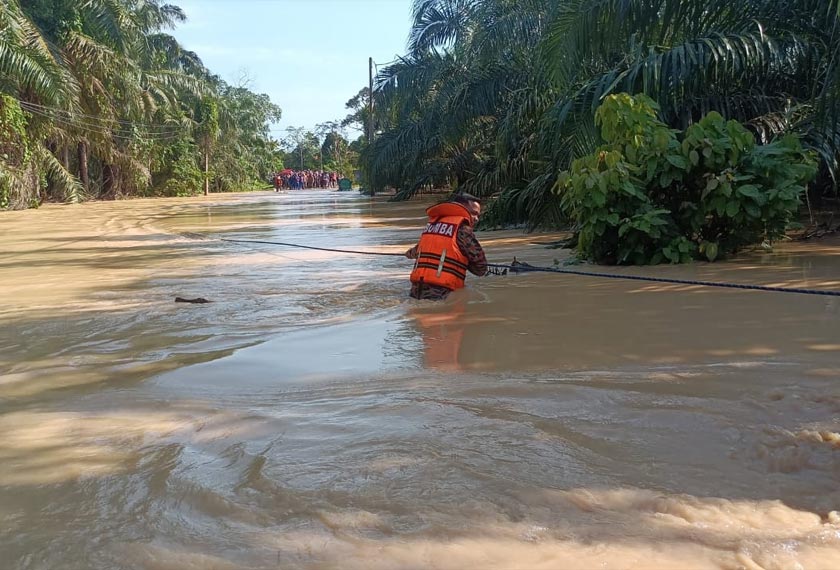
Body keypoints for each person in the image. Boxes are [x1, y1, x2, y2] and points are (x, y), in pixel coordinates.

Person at [405, 193, 488, 300]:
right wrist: (462, 262)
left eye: (478, 215)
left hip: (415, 292)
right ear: (461, 207)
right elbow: (481, 269)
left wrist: (409, 253)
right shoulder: (462, 229)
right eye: (473, 213)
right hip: (442, 294)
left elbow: (417, 251)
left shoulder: (432, 225)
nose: (476, 219)